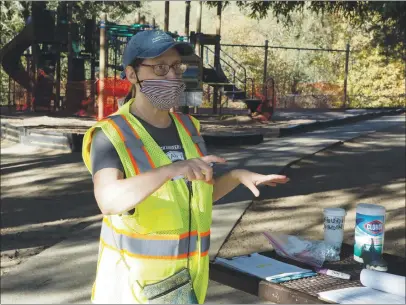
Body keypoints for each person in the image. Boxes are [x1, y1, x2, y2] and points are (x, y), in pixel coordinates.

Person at [82, 30, 289, 304]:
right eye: (160, 68)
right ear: (132, 74)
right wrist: (170, 170)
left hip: (185, 286)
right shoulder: (110, 134)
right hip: (130, 291)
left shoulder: (188, 127)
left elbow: (196, 198)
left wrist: (238, 176)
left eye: (177, 67)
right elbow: (108, 200)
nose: (172, 76)